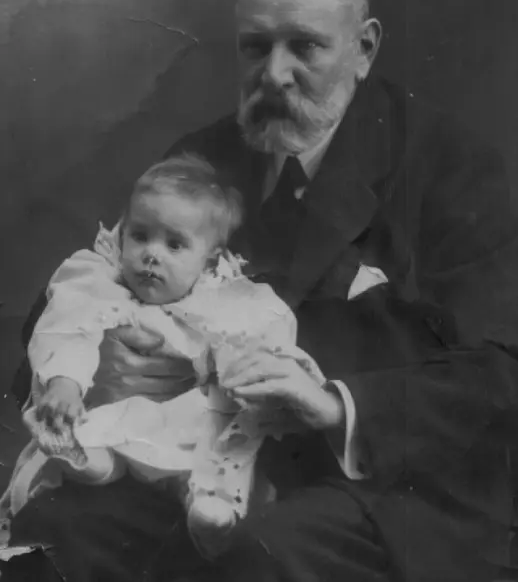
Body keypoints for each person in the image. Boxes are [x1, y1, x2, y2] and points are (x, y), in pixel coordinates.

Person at [1, 0, 518, 582]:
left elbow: (509, 369)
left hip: (388, 488)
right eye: (255, 47)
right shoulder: (203, 161)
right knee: (46, 539)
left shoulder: (448, 165)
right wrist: (105, 365)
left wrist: (334, 405)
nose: (275, 73)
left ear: (364, 47)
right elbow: (79, 289)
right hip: (207, 464)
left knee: (249, 565)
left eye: (306, 47)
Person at [2, 154, 328, 558]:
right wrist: (65, 383)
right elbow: (70, 326)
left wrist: (236, 369)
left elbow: (261, 334)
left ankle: (209, 508)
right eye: (140, 236)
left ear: (210, 258)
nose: (151, 254)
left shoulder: (225, 298)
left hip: (185, 421)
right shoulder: (100, 281)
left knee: (219, 433)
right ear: (122, 234)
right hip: (112, 411)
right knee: (90, 429)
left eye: (174, 244)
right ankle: (83, 461)